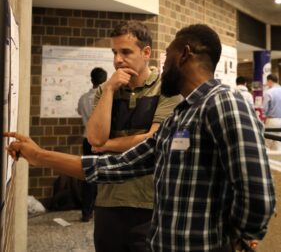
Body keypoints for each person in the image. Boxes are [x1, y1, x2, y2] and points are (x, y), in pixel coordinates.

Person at [5, 24, 276, 252]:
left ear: (184, 54)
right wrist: (39, 156)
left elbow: (258, 192)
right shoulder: (180, 117)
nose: (163, 63)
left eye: (166, 55)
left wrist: (240, 236)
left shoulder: (223, 102)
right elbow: (114, 166)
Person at [86, 21, 181, 252]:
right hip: (108, 199)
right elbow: (94, 139)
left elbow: (155, 140)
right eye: (114, 52)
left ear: (146, 52)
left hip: (150, 202)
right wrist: (109, 89)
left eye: (126, 52)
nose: (118, 59)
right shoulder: (105, 90)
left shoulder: (166, 88)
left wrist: (108, 144)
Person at [77, 67, 107, 221]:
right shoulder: (106, 98)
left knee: (88, 175)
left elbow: (80, 112)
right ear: (105, 81)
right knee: (104, 175)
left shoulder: (83, 98)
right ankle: (102, 211)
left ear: (92, 80)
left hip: (87, 139)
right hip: (103, 141)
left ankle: (86, 212)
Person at [263, 73, 281, 150]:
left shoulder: (268, 92)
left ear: (270, 81)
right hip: (280, 121)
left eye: (267, 82)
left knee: (267, 144)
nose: (266, 84)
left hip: (272, 120)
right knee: (278, 145)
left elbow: (265, 108)